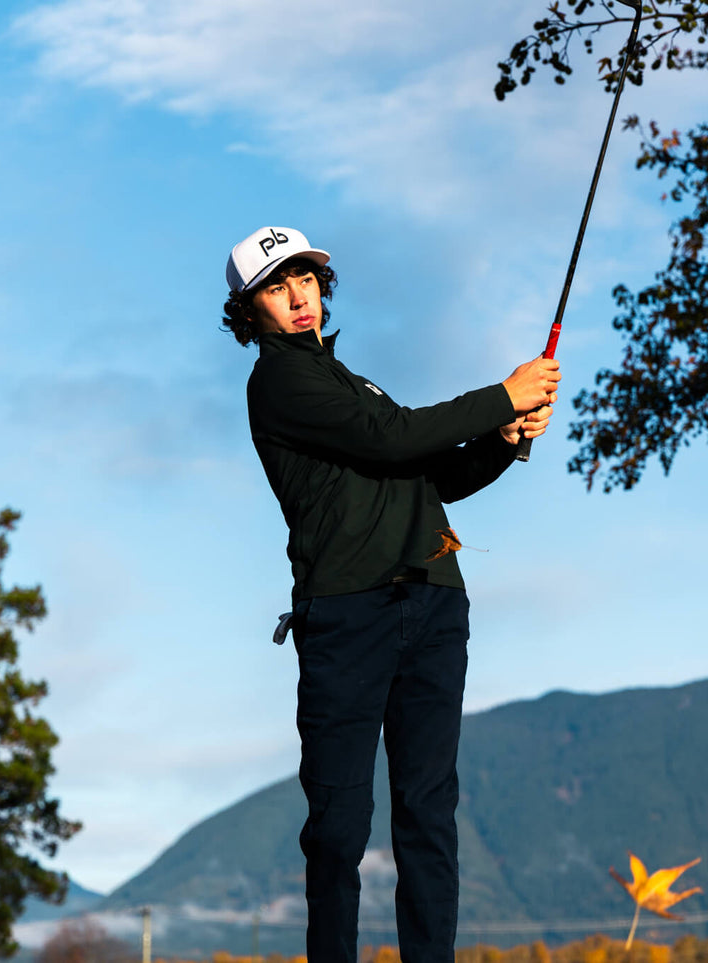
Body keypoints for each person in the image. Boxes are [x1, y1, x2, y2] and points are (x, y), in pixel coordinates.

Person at [222, 226, 560, 963]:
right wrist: (501, 394)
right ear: (250, 311)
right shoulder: (279, 381)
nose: (298, 296)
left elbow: (432, 475)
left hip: (433, 602)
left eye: (305, 278)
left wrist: (502, 437)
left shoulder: (356, 382)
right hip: (347, 612)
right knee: (340, 826)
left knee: (428, 811)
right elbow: (391, 437)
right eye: (276, 287)